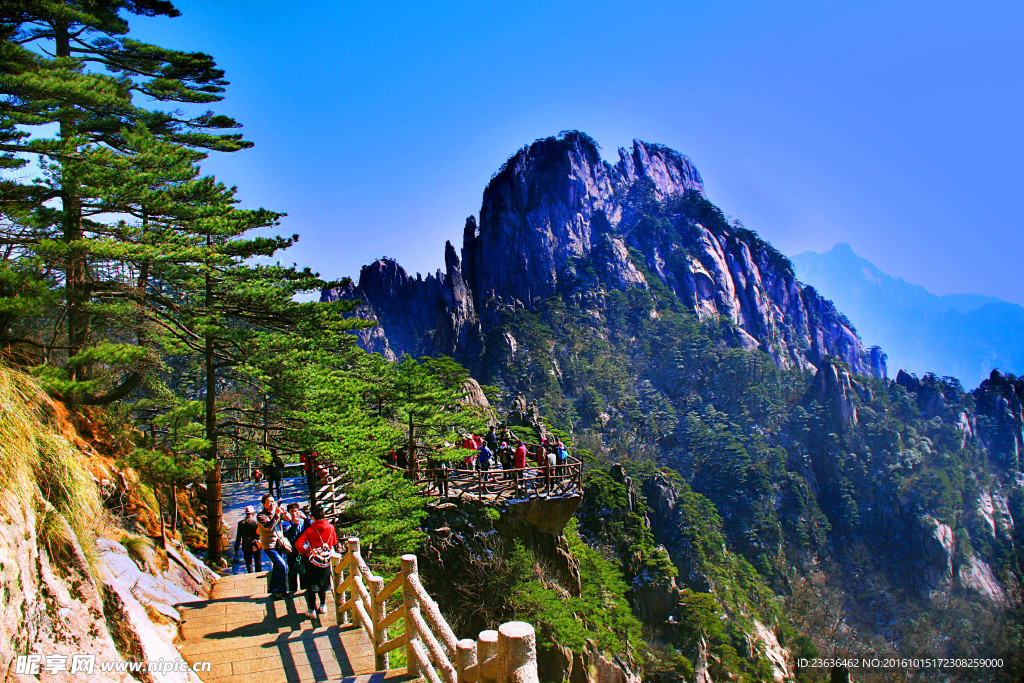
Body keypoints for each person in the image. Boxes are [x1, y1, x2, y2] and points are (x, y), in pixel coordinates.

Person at [295, 505, 339, 620]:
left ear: (313, 517)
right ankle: (323, 606)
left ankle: (312, 610)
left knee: (311, 586)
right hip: (325, 560)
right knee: (323, 584)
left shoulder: (310, 530)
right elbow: (333, 542)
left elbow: (298, 544)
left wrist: (306, 552)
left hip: (312, 561)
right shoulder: (331, 527)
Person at [256, 493, 289, 597]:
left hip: (279, 544)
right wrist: (277, 515)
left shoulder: (275, 513)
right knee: (282, 565)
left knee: (276, 566)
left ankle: (272, 588)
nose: (271, 504)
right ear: (263, 504)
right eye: (269, 502)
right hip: (269, 546)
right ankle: (281, 591)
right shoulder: (261, 515)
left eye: (272, 502)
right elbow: (268, 526)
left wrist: (285, 513)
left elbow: (288, 519)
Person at [283, 502, 309, 593]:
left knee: (303, 570)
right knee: (292, 571)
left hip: (303, 549)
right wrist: (294, 524)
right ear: (288, 512)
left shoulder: (302, 521)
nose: (294, 513)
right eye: (292, 511)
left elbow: (310, 529)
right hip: (292, 550)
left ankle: (304, 589)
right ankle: (292, 590)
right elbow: (289, 536)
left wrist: (306, 518)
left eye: (296, 511)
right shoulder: (285, 523)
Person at [234, 505, 261, 573]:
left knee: (248, 562)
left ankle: (250, 575)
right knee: (257, 561)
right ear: (252, 513)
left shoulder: (241, 523)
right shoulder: (256, 522)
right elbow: (260, 534)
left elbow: (238, 537)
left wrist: (236, 549)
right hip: (256, 544)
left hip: (246, 545)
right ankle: (259, 575)